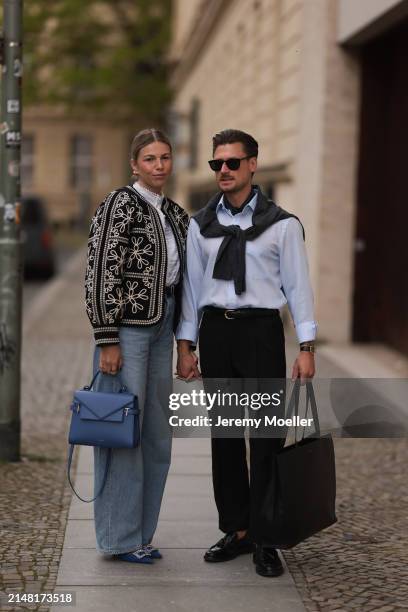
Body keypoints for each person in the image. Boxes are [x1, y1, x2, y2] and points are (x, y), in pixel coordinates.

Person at [176, 129, 316, 578]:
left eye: (232, 163)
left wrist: (306, 346)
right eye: (217, 164)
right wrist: (186, 345)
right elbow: (191, 291)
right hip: (217, 333)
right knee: (227, 439)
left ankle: (266, 536)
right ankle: (236, 529)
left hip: (261, 334)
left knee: (266, 439)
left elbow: (297, 288)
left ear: (253, 164)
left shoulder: (282, 224)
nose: (224, 171)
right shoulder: (199, 225)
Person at [85, 128, 189, 563]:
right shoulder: (119, 205)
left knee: (157, 435)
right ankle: (119, 537)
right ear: (135, 164)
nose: (159, 165)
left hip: (164, 325)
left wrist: (186, 340)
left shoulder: (176, 213)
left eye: (164, 157)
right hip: (127, 329)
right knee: (122, 431)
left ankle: (141, 534)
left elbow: (187, 279)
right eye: (150, 159)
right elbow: (100, 271)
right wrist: (106, 337)